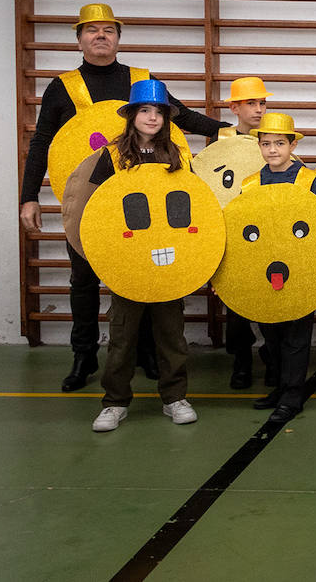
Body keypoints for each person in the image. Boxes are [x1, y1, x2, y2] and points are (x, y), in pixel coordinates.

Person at [19, 3, 225, 393]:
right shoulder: (62, 87)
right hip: (87, 200)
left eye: (108, 30)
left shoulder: (141, 79)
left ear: (118, 37)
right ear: (79, 38)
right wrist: (29, 196)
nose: (101, 36)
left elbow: (180, 115)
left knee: (145, 272)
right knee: (83, 279)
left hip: (144, 205)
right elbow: (43, 141)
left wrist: (230, 132)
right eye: (92, 30)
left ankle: (147, 353)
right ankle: (84, 356)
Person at [88, 80, 199, 432]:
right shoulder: (113, 156)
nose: (152, 117)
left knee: (171, 333)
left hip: (169, 258)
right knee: (123, 335)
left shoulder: (178, 156)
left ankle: (174, 397)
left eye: (159, 112)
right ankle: (115, 402)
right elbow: (96, 211)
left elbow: (192, 207)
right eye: (145, 110)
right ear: (132, 115)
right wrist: (106, 255)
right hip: (126, 260)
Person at [245, 112, 316, 423]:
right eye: (266, 144)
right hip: (264, 268)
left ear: (292, 144)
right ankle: (280, 388)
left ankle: (293, 396)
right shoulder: (251, 183)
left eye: (279, 143)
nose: (272, 150)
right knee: (272, 332)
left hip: (301, 269)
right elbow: (244, 229)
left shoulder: (309, 181)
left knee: (296, 334)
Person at [218, 76, 274, 391]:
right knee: (236, 303)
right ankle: (240, 361)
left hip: (267, 234)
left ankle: (270, 356)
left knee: (269, 297)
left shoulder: (273, 138)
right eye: (251, 103)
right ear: (235, 107)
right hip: (234, 233)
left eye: (262, 103)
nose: (258, 109)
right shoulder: (222, 141)